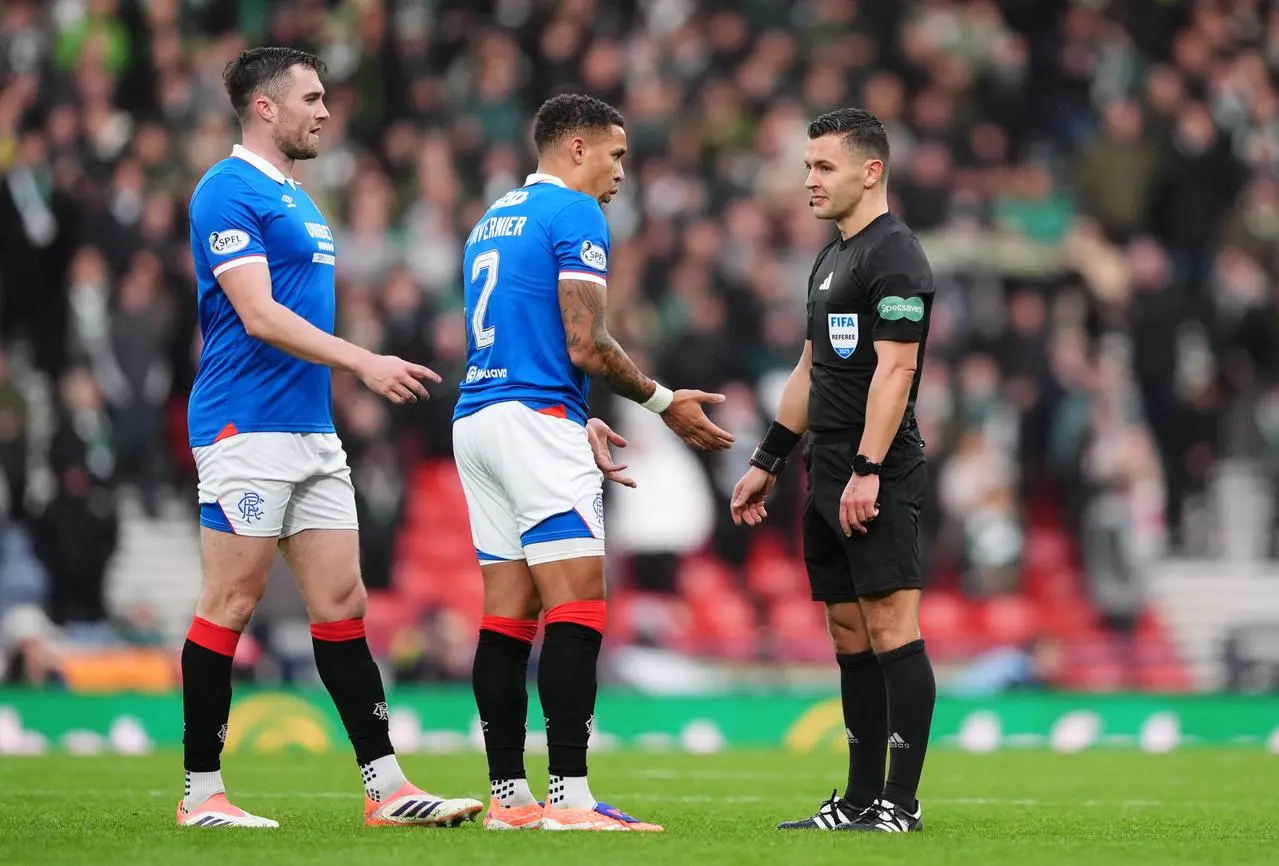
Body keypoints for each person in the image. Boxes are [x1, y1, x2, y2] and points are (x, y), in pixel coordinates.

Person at [178, 46, 480, 829]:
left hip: (310, 430)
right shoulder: (225, 190)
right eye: (310, 98)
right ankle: (201, 794)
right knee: (231, 602)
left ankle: (386, 789)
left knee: (343, 603)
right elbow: (259, 315)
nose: (324, 111)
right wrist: (363, 362)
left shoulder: (301, 200)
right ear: (265, 108)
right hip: (243, 427)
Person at [452, 93, 735, 832]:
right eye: (615, 156)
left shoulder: (492, 218)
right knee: (577, 605)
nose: (619, 175)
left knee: (507, 615)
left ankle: (508, 800)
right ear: (575, 147)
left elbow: (526, 340)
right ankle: (571, 800)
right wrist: (663, 400)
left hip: (480, 417)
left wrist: (575, 419)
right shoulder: (576, 214)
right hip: (533, 423)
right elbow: (585, 344)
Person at [730, 108, 936, 833]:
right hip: (825, 470)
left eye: (823, 167)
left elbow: (897, 369)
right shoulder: (831, 257)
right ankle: (855, 801)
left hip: (874, 470)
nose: (808, 180)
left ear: (870, 171)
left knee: (891, 628)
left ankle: (899, 805)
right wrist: (768, 459)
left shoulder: (896, 257)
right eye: (806, 166)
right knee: (848, 634)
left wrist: (868, 469)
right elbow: (811, 370)